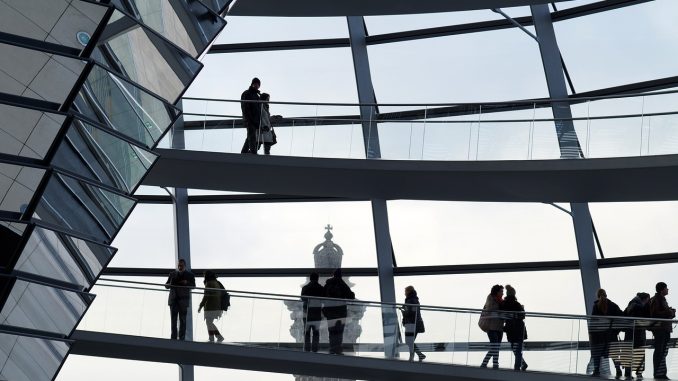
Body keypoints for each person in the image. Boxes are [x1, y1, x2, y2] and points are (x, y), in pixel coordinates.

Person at [590, 288, 624, 378]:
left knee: (597, 353)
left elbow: (593, 322)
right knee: (614, 353)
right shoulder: (613, 305)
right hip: (611, 334)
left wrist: (592, 334)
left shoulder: (596, 306)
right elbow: (622, 317)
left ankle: (596, 371)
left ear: (597, 296)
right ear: (606, 295)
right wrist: (616, 330)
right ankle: (618, 370)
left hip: (599, 335)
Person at [322, 269, 355, 354]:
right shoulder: (342, 284)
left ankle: (332, 348)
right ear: (340, 275)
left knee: (331, 331)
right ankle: (338, 349)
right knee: (339, 331)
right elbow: (351, 296)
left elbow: (322, 297)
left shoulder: (328, 284)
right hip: (340, 312)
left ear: (333, 274)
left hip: (330, 312)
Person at [649, 282, 675, 380]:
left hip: (664, 329)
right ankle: (659, 374)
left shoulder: (660, 299)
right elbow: (655, 314)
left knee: (663, 352)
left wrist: (670, 312)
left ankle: (661, 373)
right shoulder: (656, 299)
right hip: (660, 329)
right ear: (662, 289)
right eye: (666, 288)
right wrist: (669, 312)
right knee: (660, 351)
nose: (668, 289)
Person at [621, 292, 651, 379]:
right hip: (638, 332)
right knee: (640, 352)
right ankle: (638, 372)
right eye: (648, 300)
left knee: (629, 352)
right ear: (644, 299)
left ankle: (628, 372)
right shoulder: (637, 305)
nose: (648, 302)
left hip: (630, 332)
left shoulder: (631, 304)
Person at [165, 259, 196, 340]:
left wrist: (186, 283)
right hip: (173, 300)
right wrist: (170, 283)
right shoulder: (172, 274)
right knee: (173, 321)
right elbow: (166, 286)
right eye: (178, 265)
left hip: (183, 301)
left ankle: (181, 339)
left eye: (181, 265)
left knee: (183, 321)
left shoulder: (190, 275)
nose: (179, 267)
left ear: (185, 266)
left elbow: (193, 286)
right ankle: (173, 339)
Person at [501, 285, 528, 372]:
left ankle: (521, 364)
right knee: (518, 349)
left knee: (514, 348)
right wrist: (522, 309)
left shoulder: (504, 304)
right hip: (519, 329)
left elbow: (503, 316)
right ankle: (518, 367)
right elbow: (522, 316)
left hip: (510, 329)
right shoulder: (517, 304)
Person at [479, 284, 504, 369]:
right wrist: (501, 306)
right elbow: (490, 309)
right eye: (501, 291)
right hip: (491, 328)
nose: (503, 293)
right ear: (496, 292)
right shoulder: (491, 299)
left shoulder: (501, 300)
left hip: (499, 327)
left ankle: (485, 364)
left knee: (496, 347)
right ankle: (495, 365)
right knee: (495, 347)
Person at [197, 271, 225, 343]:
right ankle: (216, 337)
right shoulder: (216, 282)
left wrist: (200, 305)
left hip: (210, 306)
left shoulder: (209, 283)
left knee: (209, 322)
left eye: (204, 275)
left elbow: (206, 296)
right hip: (217, 306)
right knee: (209, 322)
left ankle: (213, 337)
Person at [301, 272, 325, 352]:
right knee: (316, 332)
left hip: (307, 312)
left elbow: (302, 298)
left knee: (307, 332)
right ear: (317, 278)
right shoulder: (321, 288)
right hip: (317, 312)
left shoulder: (305, 288)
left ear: (310, 278)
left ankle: (307, 349)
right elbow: (323, 300)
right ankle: (315, 349)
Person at [401, 286, 426, 362]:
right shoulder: (415, 300)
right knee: (410, 341)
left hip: (411, 324)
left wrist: (403, 311)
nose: (404, 293)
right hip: (416, 323)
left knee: (409, 341)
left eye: (405, 291)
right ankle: (420, 355)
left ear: (408, 291)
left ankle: (413, 356)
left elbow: (409, 313)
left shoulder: (410, 300)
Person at [240, 77, 261, 154]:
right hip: (249, 119)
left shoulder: (257, 96)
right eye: (255, 84)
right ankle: (253, 153)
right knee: (252, 136)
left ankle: (244, 152)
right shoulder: (247, 93)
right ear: (252, 84)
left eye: (258, 84)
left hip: (255, 120)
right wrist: (248, 118)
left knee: (250, 136)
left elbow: (258, 110)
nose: (257, 85)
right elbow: (245, 107)